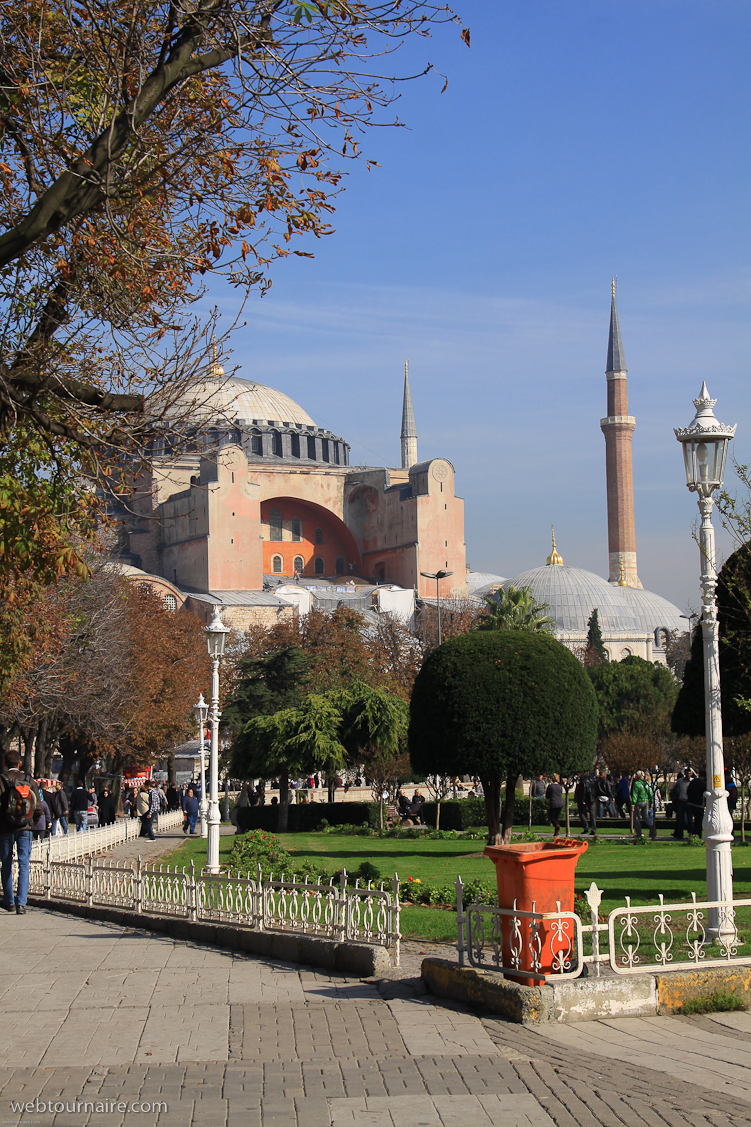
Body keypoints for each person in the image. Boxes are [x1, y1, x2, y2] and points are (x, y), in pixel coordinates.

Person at [0, 748, 43, 914]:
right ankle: (21, 904)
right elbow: (38, 807)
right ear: (19, 763)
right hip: (25, 828)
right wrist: (30, 822)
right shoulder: (28, 779)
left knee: (6, 864)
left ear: (5, 764)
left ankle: (9, 901)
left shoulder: (2, 780)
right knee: (24, 863)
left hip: (5, 829)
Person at [631, 771, 651, 839]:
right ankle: (652, 827)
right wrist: (651, 802)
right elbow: (650, 793)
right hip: (646, 801)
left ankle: (639, 833)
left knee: (637, 818)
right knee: (645, 816)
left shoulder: (636, 784)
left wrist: (633, 804)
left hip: (639, 802)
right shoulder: (646, 783)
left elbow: (635, 795)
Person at [686, 769, 706, 836]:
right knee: (699, 821)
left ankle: (692, 833)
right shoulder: (704, 784)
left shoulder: (693, 781)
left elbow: (688, 791)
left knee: (690, 820)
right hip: (699, 805)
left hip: (690, 803)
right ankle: (698, 834)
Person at [670, 772, 689, 839]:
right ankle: (680, 834)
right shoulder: (680, 782)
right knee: (681, 819)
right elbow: (674, 791)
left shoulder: (691, 781)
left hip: (687, 801)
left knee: (686, 819)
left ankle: (690, 832)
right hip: (681, 801)